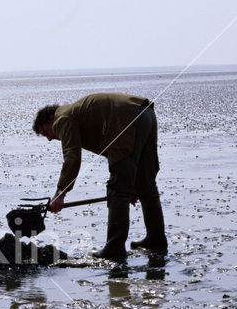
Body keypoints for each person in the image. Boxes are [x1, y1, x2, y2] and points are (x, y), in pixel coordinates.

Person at [32, 92, 167, 263]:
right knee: (146, 185)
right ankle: (156, 241)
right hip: (145, 113)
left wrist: (60, 193)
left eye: (46, 132)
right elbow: (120, 156)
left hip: (126, 118)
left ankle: (114, 249)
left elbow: (72, 156)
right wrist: (132, 185)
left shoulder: (62, 118)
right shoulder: (78, 115)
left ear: (51, 118)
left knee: (117, 189)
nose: (50, 138)